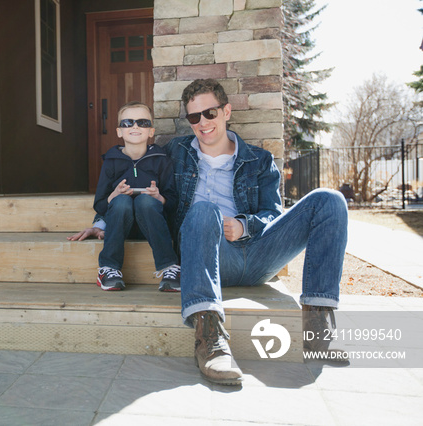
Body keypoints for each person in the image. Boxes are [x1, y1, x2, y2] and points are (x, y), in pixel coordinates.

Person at [71, 80, 348, 386]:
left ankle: (318, 328)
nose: (202, 123)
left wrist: (245, 224)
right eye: (194, 117)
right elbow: (129, 174)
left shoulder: (259, 160)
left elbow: (272, 214)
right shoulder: (173, 153)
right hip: (206, 257)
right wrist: (102, 220)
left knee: (329, 200)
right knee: (203, 210)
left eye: (210, 113)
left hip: (258, 253)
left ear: (226, 111)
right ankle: (210, 341)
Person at [68, 101, 181, 292]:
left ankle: (170, 267)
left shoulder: (161, 160)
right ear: (119, 131)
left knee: (146, 200)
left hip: (153, 225)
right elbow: (101, 205)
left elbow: (173, 202)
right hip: (120, 225)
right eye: (128, 122)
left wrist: (159, 197)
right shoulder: (111, 161)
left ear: (151, 131)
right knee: (121, 201)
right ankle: (108, 268)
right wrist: (114, 195)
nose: (135, 126)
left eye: (143, 123)